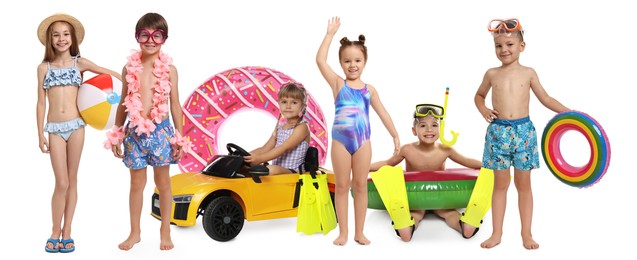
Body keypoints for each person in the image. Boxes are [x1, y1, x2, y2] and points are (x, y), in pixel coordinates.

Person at [474, 18, 570, 250]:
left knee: (524, 185)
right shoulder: (491, 73)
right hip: (498, 133)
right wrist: (484, 109)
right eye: (499, 46)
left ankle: (526, 234)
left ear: (522, 47)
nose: (504, 50)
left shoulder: (528, 73)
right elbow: (478, 96)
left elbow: (545, 98)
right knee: (500, 185)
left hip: (524, 133)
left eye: (509, 44)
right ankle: (496, 233)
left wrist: (570, 113)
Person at [105, 12, 191, 251]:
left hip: (161, 133)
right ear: (137, 37)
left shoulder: (170, 69)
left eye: (157, 35)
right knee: (136, 184)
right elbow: (124, 101)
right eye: (145, 35)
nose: (150, 40)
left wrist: (179, 139)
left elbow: (175, 105)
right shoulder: (128, 68)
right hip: (134, 134)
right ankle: (135, 232)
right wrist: (117, 133)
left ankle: (165, 229)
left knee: (163, 183)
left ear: (164, 38)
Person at [37, 13, 121, 253]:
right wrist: (39, 134)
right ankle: (54, 230)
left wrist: (123, 92)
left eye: (66, 34)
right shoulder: (43, 67)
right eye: (56, 35)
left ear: (72, 38)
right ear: (49, 40)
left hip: (76, 127)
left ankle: (67, 232)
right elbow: (40, 103)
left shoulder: (80, 64)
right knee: (61, 182)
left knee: (72, 180)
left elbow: (112, 74)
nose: (61, 39)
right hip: (54, 128)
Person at [316, 16, 400, 246]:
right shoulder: (337, 84)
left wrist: (394, 134)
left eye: (357, 60)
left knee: (360, 185)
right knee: (342, 186)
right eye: (347, 61)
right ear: (341, 63)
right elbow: (320, 60)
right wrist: (329, 35)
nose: (352, 65)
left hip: (363, 142)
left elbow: (383, 113)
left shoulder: (369, 89)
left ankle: (359, 232)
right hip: (341, 142)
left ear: (364, 62)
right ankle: (343, 232)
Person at [370, 104, 482, 242]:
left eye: (434, 125)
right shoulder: (407, 150)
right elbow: (387, 164)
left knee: (416, 213)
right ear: (414, 130)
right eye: (423, 125)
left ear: (441, 128)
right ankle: (463, 225)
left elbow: (467, 161)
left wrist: (487, 166)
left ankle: (406, 225)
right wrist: (366, 167)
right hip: (439, 198)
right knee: (448, 212)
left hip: (417, 197)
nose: (429, 129)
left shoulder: (445, 150)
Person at [243, 82, 310, 174]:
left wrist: (260, 159)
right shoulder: (279, 128)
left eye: (294, 102)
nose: (288, 106)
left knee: (271, 169)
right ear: (279, 103)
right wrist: (245, 156)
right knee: (246, 166)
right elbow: (265, 148)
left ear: (302, 106)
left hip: (293, 172)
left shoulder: (301, 127)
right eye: (284, 102)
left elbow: (284, 147)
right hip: (279, 169)